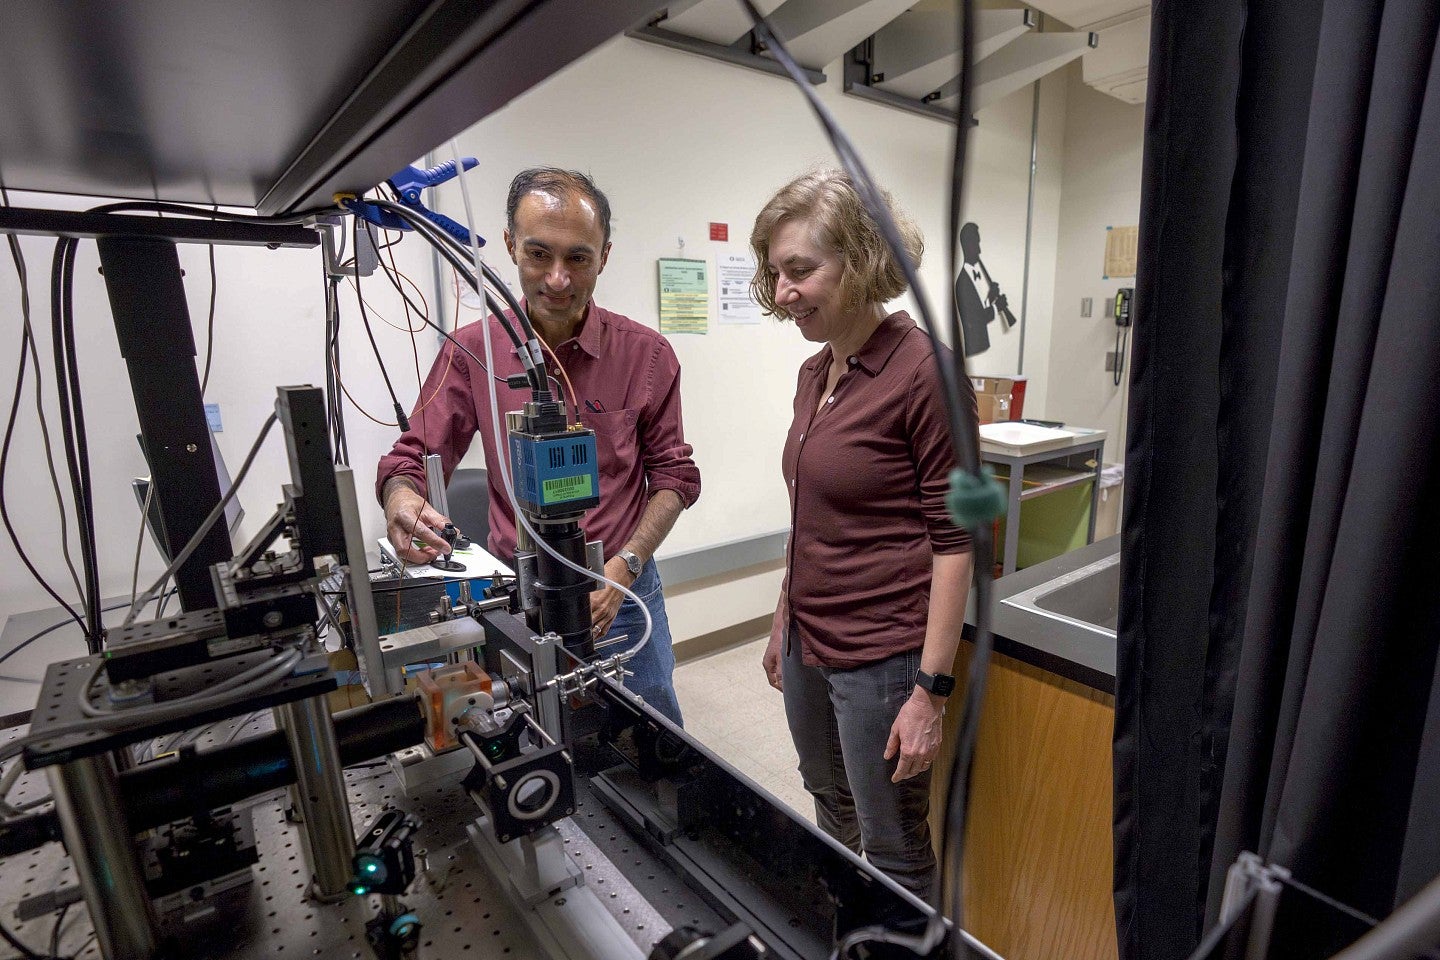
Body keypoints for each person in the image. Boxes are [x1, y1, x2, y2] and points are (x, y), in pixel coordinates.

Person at [376, 168, 700, 726]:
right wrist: (401, 500)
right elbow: (410, 459)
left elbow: (674, 478)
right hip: (518, 592)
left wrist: (624, 568)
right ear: (508, 246)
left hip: (617, 586)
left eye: (578, 258)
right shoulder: (473, 350)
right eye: (537, 254)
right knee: (532, 731)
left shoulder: (645, 356)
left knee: (655, 732)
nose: (556, 279)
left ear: (604, 256)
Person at [750, 170, 974, 896]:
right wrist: (784, 613)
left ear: (863, 258)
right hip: (808, 638)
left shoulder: (925, 374)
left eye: (801, 271)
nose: (783, 291)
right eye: (775, 272)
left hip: (882, 654)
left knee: (893, 843)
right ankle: (858, 930)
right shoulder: (816, 373)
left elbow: (956, 542)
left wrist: (929, 693)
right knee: (832, 804)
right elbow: (809, 512)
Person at [955, 221, 1010, 358]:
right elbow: (974, 320)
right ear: (968, 246)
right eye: (977, 244)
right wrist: (997, 307)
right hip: (975, 349)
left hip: (982, 347)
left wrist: (989, 300)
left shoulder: (971, 278)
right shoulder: (963, 282)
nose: (979, 250)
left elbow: (976, 309)